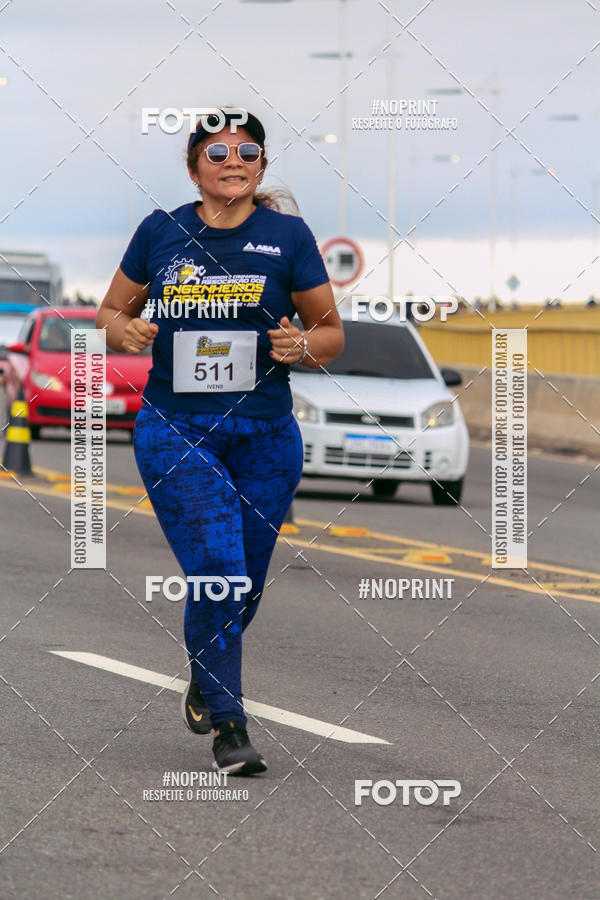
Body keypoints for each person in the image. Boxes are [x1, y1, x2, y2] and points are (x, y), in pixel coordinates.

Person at [96, 108, 344, 775]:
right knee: (218, 570)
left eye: (248, 152)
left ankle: (206, 674)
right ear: (193, 167)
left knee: (245, 584)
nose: (234, 162)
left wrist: (302, 346)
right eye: (218, 153)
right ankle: (230, 727)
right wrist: (124, 331)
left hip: (266, 436)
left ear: (261, 165)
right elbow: (110, 312)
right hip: (177, 428)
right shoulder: (162, 231)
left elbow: (330, 334)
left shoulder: (287, 236)